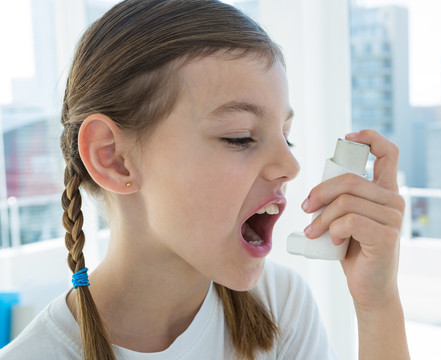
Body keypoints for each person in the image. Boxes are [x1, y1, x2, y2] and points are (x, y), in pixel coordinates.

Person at [0, 0, 410, 359]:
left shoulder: (280, 305)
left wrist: (378, 304)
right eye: (240, 137)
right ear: (114, 159)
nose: (290, 165)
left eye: (287, 137)